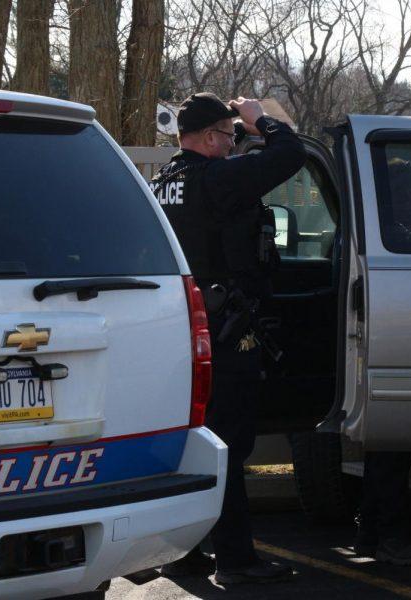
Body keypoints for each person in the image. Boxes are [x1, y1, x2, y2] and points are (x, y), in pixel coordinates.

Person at [152, 92, 306, 584]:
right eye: (224, 134)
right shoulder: (217, 180)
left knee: (191, 443)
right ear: (204, 137)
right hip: (225, 331)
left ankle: (184, 549)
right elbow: (290, 156)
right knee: (229, 444)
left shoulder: (162, 182)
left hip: (181, 332)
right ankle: (236, 559)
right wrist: (261, 122)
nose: (229, 142)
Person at [354, 157, 411, 567]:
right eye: (409, 190)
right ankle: (389, 537)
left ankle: (369, 533)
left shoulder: (372, 236)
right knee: (391, 456)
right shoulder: (397, 237)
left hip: (378, 354)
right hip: (392, 352)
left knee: (382, 455)